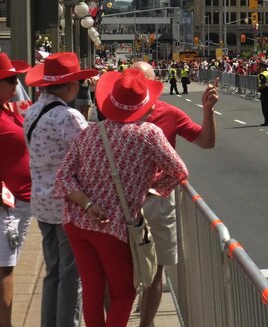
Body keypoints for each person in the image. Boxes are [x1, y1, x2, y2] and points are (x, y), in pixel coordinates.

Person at [53, 68, 189, 327]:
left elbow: (63, 178)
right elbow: (180, 170)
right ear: (145, 107)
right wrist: (152, 187)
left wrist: (88, 204)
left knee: (93, 290)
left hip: (77, 221)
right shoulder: (149, 133)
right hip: (113, 225)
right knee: (123, 292)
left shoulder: (91, 131)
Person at [129, 61, 218, 327]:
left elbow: (206, 142)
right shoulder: (116, 113)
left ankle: (146, 322)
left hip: (158, 201)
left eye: (145, 82)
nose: (139, 87)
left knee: (156, 271)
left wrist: (207, 111)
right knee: (127, 271)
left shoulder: (171, 113)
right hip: (124, 203)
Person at [24, 52, 98, 327]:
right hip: (69, 205)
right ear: (69, 86)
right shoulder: (68, 116)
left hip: (42, 202)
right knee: (72, 273)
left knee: (53, 270)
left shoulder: (31, 112)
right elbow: (90, 156)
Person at [0, 53, 31, 327]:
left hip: (19, 202)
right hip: (5, 204)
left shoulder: (9, 109)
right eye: (11, 80)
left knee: (7, 267)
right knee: (3, 270)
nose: (16, 84)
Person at [257, 62, 268, 126]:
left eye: (260, 67)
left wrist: (259, 88)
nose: (259, 69)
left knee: (265, 107)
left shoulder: (262, 74)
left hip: (265, 91)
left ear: (263, 67)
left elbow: (264, 84)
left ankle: (267, 121)